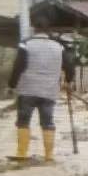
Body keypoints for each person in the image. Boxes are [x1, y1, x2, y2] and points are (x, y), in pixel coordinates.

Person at [8, 15, 75, 163]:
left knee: (23, 121)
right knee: (47, 122)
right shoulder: (59, 47)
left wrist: (11, 84)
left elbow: (18, 66)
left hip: (27, 90)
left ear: (34, 29)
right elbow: (69, 68)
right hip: (49, 91)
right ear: (48, 30)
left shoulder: (26, 44)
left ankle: (21, 153)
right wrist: (69, 81)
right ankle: (49, 156)